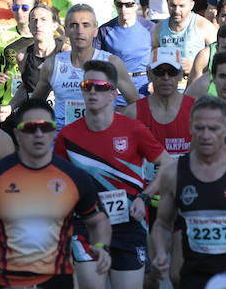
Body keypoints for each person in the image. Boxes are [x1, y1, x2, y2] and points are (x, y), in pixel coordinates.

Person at [0, 98, 111, 288]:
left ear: (54, 132)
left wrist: (100, 247)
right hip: (3, 280)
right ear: (17, 133)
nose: (38, 134)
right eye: (30, 128)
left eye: (45, 127)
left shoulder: (75, 177)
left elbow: (99, 221)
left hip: (56, 281)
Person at [55, 59, 171, 289]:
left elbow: (167, 164)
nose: (92, 92)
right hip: (86, 225)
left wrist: (145, 197)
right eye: (87, 86)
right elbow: (57, 182)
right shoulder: (68, 135)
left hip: (128, 223)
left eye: (99, 86)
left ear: (112, 93)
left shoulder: (133, 129)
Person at [150, 95, 226, 288]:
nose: (206, 135)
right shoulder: (173, 173)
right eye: (200, 128)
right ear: (190, 127)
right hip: (194, 277)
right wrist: (161, 252)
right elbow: (163, 223)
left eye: (213, 128)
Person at [20, 4, 138, 129]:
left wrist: (118, 123)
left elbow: (136, 105)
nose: (80, 31)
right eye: (73, 25)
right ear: (65, 30)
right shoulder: (52, 64)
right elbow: (34, 105)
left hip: (100, 138)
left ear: (95, 30)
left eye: (86, 25)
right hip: (63, 140)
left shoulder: (112, 63)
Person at [124, 47, 194, 158]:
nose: (166, 77)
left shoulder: (195, 110)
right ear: (149, 74)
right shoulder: (133, 112)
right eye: (159, 71)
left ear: (180, 74)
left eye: (172, 72)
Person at [98, 0, 155, 96]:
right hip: (115, 90)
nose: (123, 9)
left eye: (128, 4)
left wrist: (155, 82)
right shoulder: (105, 30)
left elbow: (160, 58)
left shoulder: (150, 28)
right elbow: (96, 63)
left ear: (136, 5)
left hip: (144, 88)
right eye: (119, 4)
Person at [153, 0, 216, 74]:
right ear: (167, 2)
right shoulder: (159, 29)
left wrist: (196, 67)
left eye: (182, 6)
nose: (177, 11)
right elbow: (153, 60)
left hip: (196, 86)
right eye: (172, 5)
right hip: (168, 86)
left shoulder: (204, 26)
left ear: (192, 5)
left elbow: (221, 61)